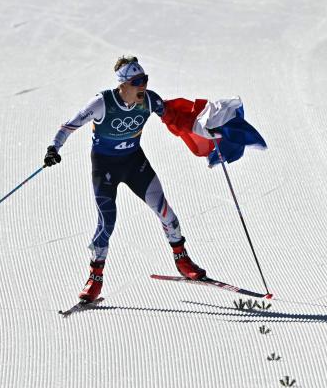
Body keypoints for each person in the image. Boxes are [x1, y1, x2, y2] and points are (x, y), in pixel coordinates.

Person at [43, 56, 206, 303]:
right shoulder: (102, 102)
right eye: (137, 81)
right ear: (123, 84)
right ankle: (94, 278)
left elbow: (178, 118)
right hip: (105, 167)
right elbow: (68, 126)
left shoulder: (150, 100)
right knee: (107, 221)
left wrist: (209, 132)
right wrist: (53, 148)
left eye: (145, 80)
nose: (143, 86)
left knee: (165, 212)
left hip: (134, 163)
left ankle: (182, 259)